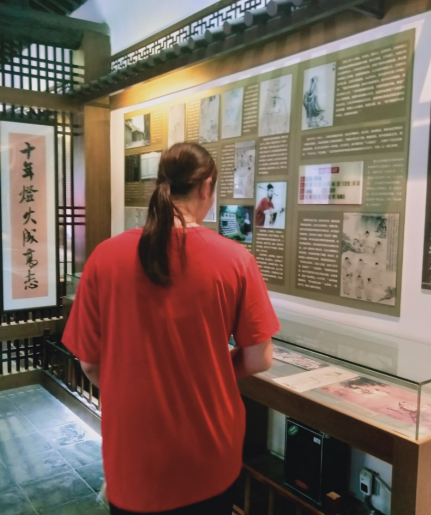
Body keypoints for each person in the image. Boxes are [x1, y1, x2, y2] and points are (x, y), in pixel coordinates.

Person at [62, 143, 279, 514]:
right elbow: (260, 359)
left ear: (160, 184)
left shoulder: (105, 258)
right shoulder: (236, 260)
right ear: (206, 186)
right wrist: (208, 371)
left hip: (134, 456)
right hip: (210, 450)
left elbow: (89, 363)